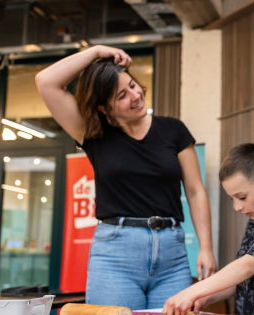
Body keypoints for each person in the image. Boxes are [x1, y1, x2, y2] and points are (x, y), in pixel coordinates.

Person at [35, 45, 217, 310]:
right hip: (114, 257)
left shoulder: (173, 129)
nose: (136, 95)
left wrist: (206, 247)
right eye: (122, 95)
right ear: (103, 107)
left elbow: (195, 191)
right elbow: (46, 81)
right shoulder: (93, 133)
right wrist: (96, 50)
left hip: (171, 255)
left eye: (133, 85)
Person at [162, 143, 254, 315]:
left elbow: (246, 267)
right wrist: (206, 297)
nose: (237, 207)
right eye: (232, 199)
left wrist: (191, 291)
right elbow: (242, 279)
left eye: (242, 197)